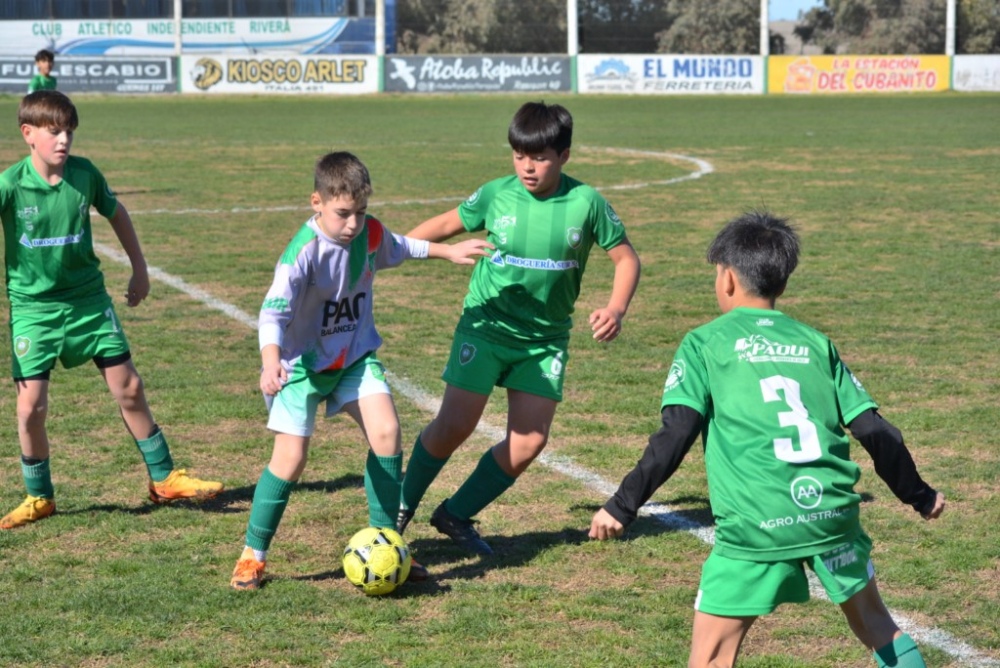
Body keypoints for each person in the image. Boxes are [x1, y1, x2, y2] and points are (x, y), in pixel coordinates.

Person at [589, 211, 945, 668]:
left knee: (712, 656)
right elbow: (875, 430)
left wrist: (622, 505)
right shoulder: (817, 343)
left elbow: (676, 432)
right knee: (879, 627)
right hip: (830, 513)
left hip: (757, 525)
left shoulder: (704, 344)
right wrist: (919, 495)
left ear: (730, 279)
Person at [229, 151, 492, 591]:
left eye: (361, 212)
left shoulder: (369, 234)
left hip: (353, 357)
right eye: (342, 214)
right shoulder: (302, 254)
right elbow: (272, 314)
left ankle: (388, 543)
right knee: (290, 460)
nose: (352, 224)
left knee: (387, 432)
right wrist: (271, 361)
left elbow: (401, 245)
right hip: (301, 366)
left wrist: (448, 251)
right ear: (317, 201)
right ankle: (253, 555)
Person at [395, 101, 641, 557]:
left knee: (530, 441)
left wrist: (616, 308)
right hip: (486, 326)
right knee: (454, 426)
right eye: (519, 155)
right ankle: (399, 507)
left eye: (541, 157)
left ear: (565, 155)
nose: (528, 167)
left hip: (544, 340)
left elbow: (625, 257)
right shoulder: (496, 194)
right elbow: (448, 224)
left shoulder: (586, 202)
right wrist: (396, 249)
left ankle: (456, 513)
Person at [0, 91, 223, 530]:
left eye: (69, 132)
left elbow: (117, 213)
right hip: (34, 309)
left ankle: (164, 479)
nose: (63, 140)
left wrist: (140, 268)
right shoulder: (10, 185)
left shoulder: (84, 175)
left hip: (89, 302)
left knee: (130, 388)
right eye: (53, 132)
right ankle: (40, 496)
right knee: (31, 409)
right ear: (28, 134)